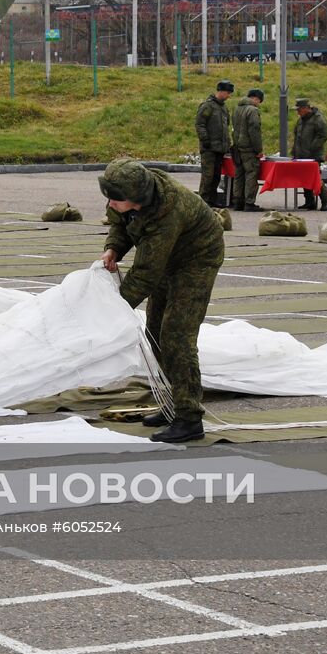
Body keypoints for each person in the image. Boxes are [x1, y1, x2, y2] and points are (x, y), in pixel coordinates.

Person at [98, 159, 223, 444]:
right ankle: (171, 405)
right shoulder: (125, 196)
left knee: (177, 336)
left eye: (116, 198)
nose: (110, 202)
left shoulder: (169, 212)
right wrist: (114, 248)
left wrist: (113, 309)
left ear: (137, 198)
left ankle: (189, 418)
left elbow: (145, 274)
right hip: (167, 258)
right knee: (154, 332)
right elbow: (119, 222)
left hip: (196, 260)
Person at [194, 80, 234, 208]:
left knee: (216, 176)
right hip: (209, 148)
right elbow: (200, 124)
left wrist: (227, 145)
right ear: (221, 91)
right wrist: (205, 140)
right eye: (227, 92)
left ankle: (212, 200)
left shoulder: (223, 107)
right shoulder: (207, 106)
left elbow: (226, 127)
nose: (229, 96)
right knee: (208, 176)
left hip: (220, 148)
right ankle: (203, 201)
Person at [229, 89, 265, 212]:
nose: (258, 104)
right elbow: (254, 131)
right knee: (251, 174)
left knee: (239, 174)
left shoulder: (237, 109)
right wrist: (258, 149)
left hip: (237, 147)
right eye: (259, 101)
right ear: (256, 98)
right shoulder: (253, 110)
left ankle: (237, 201)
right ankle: (249, 202)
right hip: (249, 149)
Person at [294, 97, 327, 211]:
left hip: (313, 155)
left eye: (299, 109)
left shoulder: (318, 119)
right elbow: (297, 136)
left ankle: (325, 202)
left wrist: (312, 148)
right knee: (305, 178)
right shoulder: (300, 120)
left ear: (306, 108)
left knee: (316, 179)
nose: (297, 112)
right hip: (301, 155)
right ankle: (309, 201)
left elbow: (323, 135)